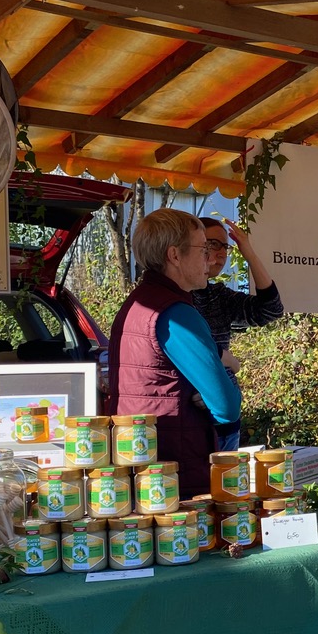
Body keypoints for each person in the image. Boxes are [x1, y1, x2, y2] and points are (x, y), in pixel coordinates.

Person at [107, 209, 241, 498]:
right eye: (203, 248)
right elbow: (227, 406)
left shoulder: (137, 303)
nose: (210, 258)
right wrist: (226, 373)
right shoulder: (176, 313)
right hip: (176, 473)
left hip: (139, 464)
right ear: (175, 255)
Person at [192, 216, 284, 448]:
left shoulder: (218, 295)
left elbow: (271, 310)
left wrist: (249, 253)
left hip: (227, 419)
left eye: (225, 246)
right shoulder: (174, 297)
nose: (221, 253)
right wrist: (226, 359)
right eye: (213, 244)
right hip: (190, 418)